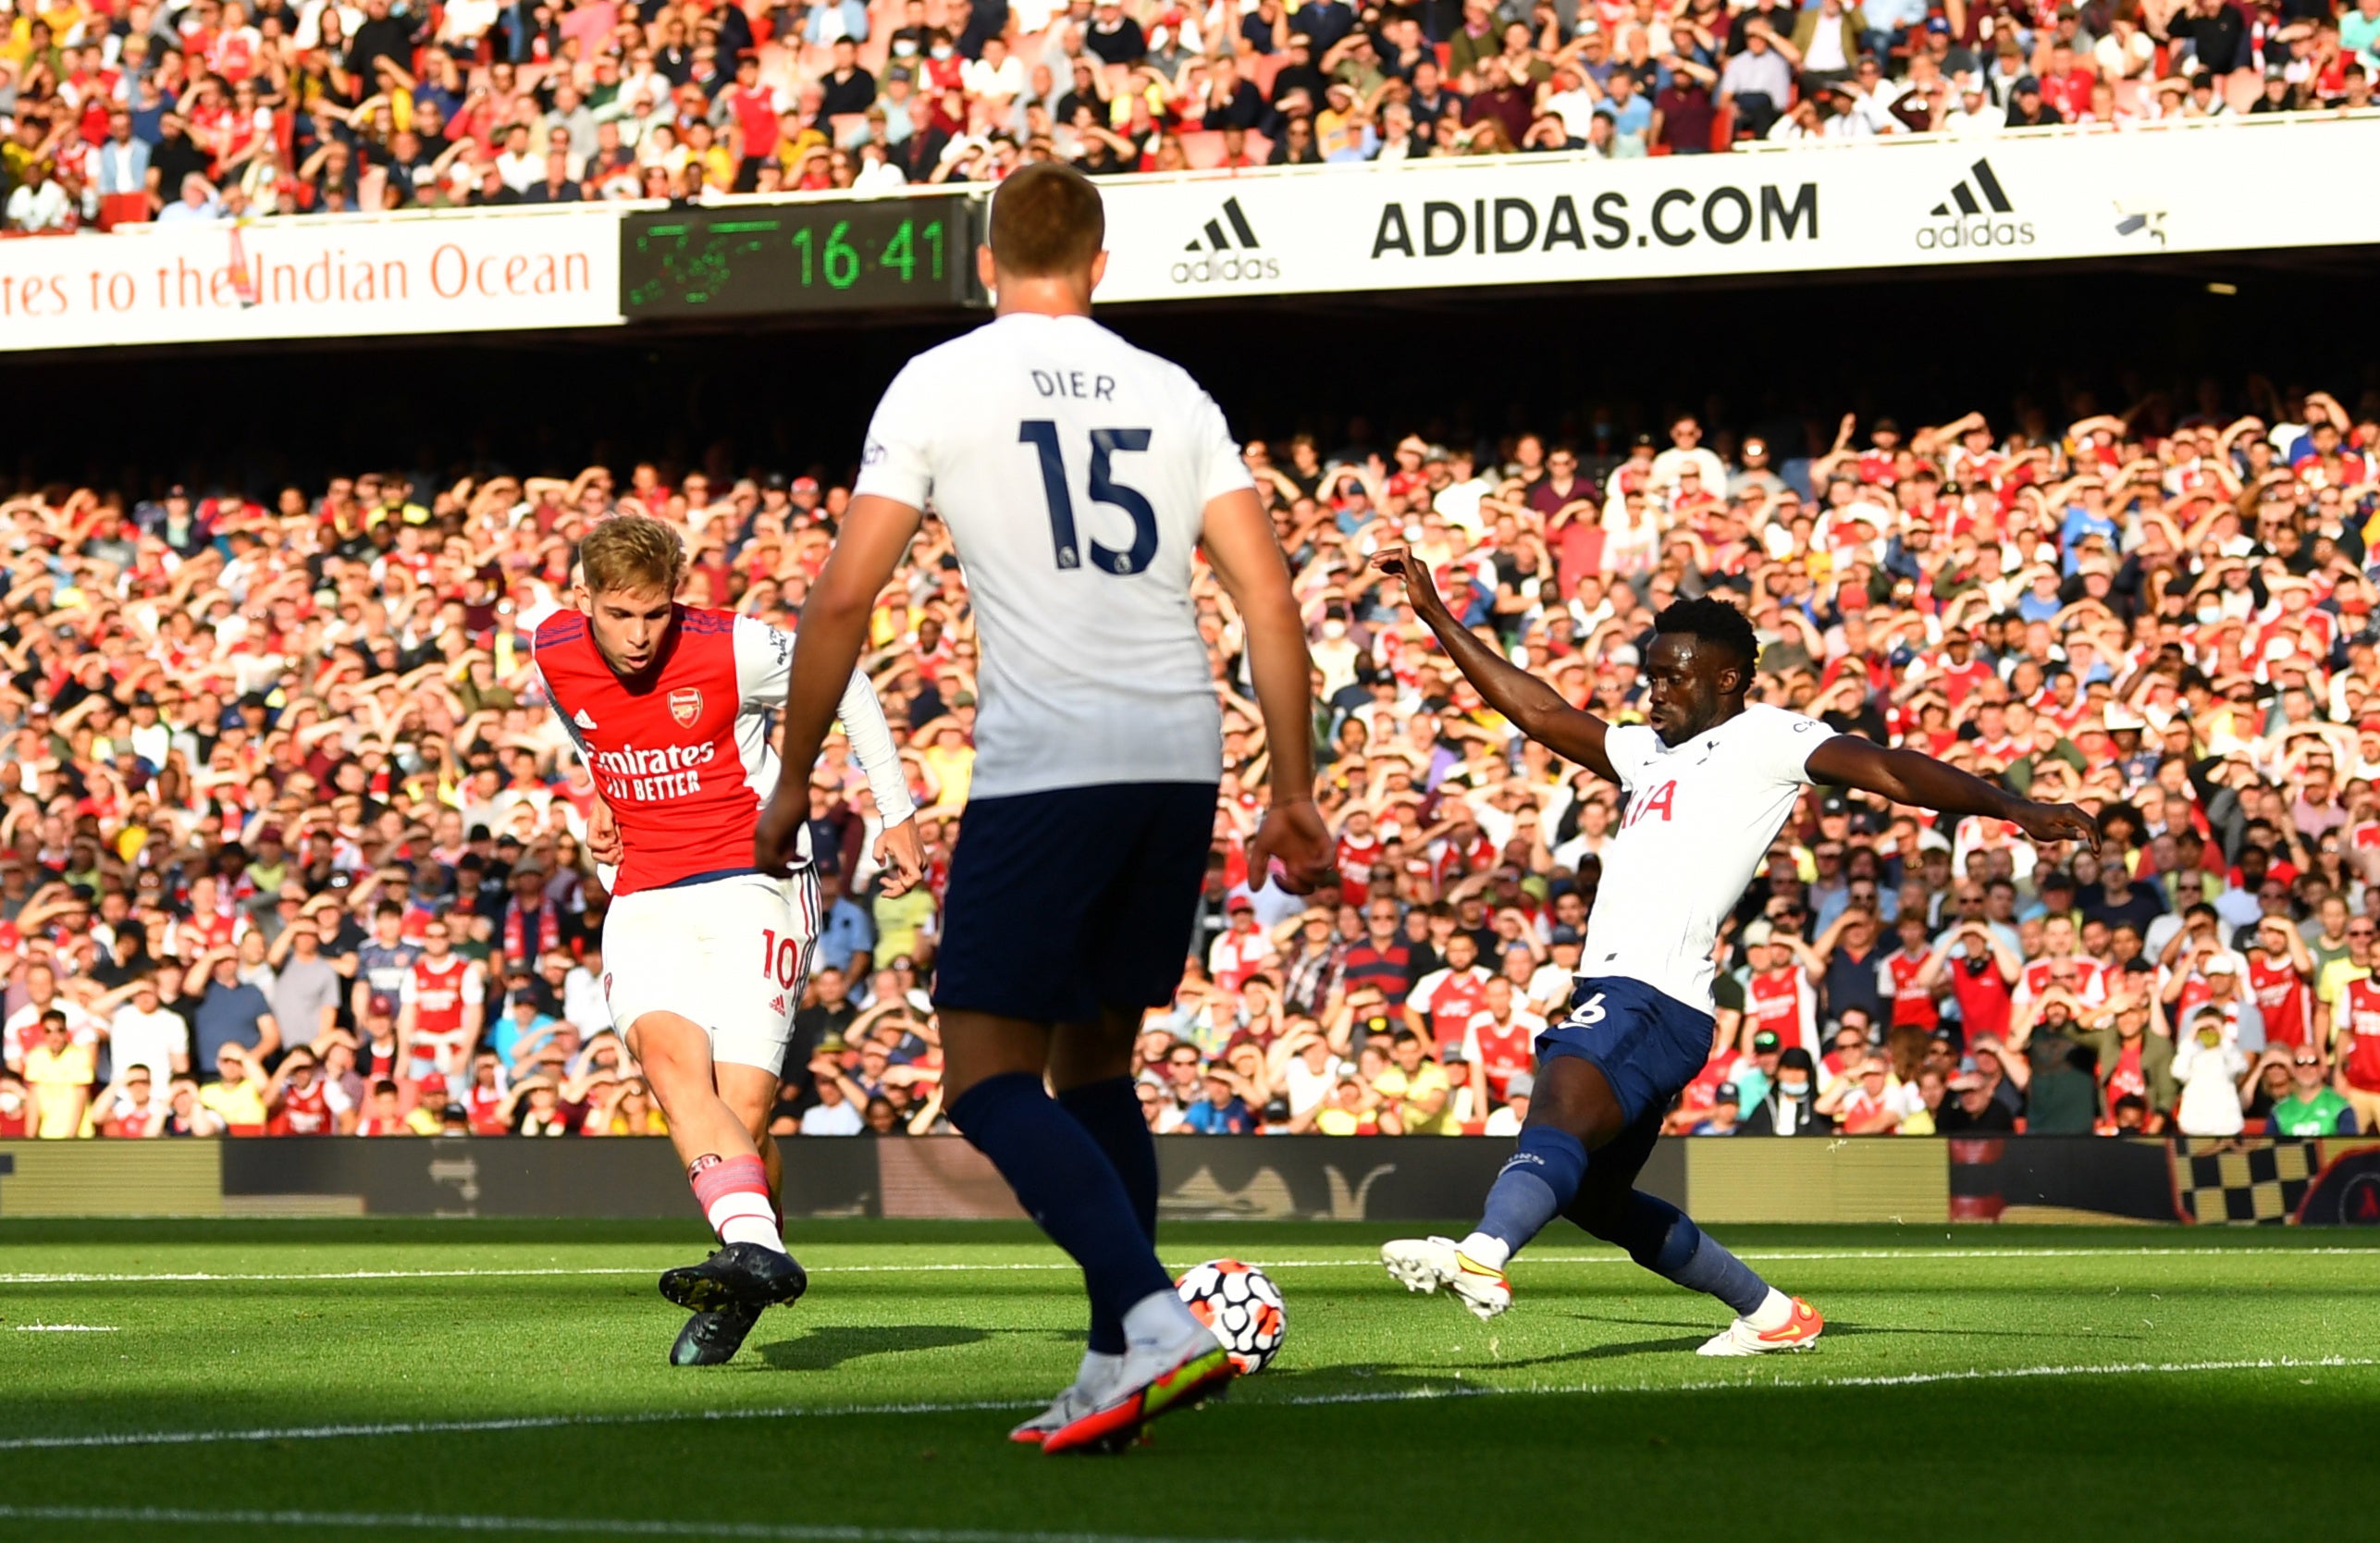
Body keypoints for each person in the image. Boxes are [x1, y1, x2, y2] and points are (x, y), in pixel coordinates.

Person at [752, 162, 1332, 1454]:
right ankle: (1115, 1366)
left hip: (1049, 757)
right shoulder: (1173, 391)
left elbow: (844, 598)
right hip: (1177, 753)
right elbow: (1270, 601)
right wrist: (1292, 789)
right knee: (1098, 1067)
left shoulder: (941, 381)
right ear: (1101, 264)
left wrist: (794, 771)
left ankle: (1152, 1314)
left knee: (985, 1077)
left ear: (982, 263)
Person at [1371, 556, 2096, 1354]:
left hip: (1648, 991)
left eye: (1673, 678)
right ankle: (1770, 1314)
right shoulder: (1648, 751)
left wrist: (2009, 805)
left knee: (1558, 1107)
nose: (1655, 692)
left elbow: (1889, 769)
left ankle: (1482, 1254)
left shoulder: (1762, 738)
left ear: (1727, 681)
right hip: (1641, 995)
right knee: (1597, 1199)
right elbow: (1540, 713)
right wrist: (1437, 615)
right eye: (1650, 674)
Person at [534, 514, 923, 1368]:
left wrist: (896, 814)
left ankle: (747, 1267)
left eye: (656, 614)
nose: (639, 637)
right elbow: (588, 726)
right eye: (619, 614)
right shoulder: (550, 647)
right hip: (644, 889)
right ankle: (755, 1251)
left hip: (757, 879)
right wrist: (603, 791)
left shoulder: (732, 645)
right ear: (583, 600)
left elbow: (846, 682)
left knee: (740, 1117)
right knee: (674, 1072)